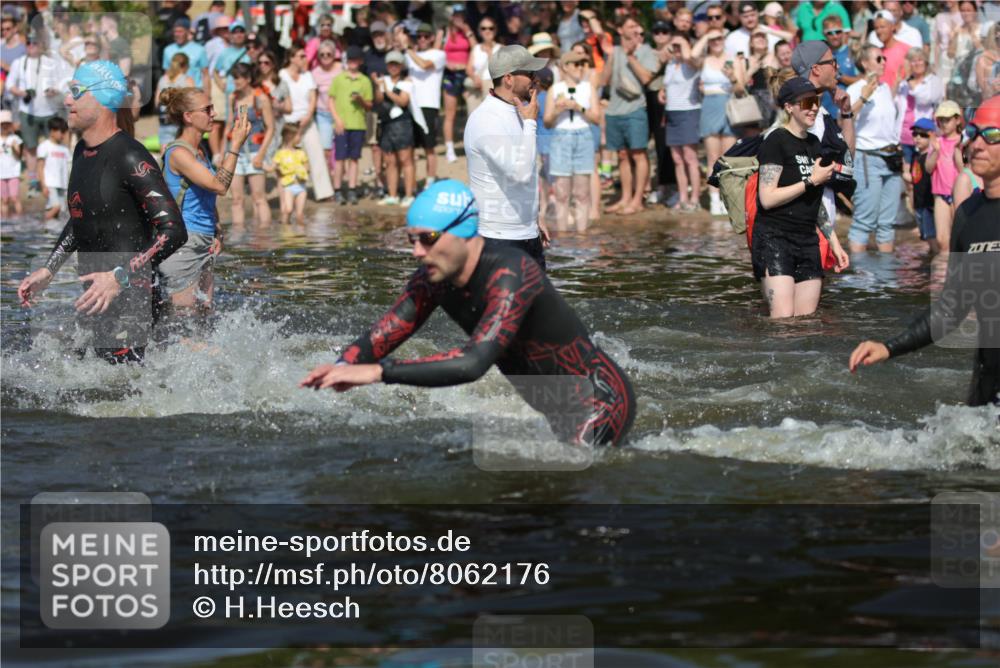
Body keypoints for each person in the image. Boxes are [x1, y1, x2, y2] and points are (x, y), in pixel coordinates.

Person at [300, 179, 636, 447]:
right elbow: (388, 330)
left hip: (602, 404)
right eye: (412, 240)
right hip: (558, 411)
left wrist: (376, 373)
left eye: (428, 238)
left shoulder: (513, 273)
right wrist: (342, 367)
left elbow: (473, 362)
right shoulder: (434, 277)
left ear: (463, 230)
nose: (418, 251)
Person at [17, 60, 187, 364]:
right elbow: (83, 216)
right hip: (97, 295)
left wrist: (119, 276)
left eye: (76, 91)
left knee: (124, 396)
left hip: (130, 295)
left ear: (102, 97)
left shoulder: (130, 155)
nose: (67, 100)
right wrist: (49, 269)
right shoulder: (82, 151)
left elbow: (173, 230)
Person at [849, 96, 1000, 408]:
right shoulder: (969, 213)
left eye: (993, 135)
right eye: (975, 133)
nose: (978, 145)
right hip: (987, 384)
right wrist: (889, 347)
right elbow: (951, 308)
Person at [754, 77, 849, 318]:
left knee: (806, 323)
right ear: (789, 107)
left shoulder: (815, 144)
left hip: (808, 241)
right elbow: (767, 198)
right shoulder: (775, 140)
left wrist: (835, 244)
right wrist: (810, 181)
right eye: (807, 102)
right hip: (775, 239)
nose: (814, 107)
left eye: (816, 101)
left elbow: (815, 202)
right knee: (783, 320)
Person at [158, 86, 250, 313]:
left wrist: (216, 229)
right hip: (183, 242)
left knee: (203, 315)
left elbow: (204, 195)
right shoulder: (179, 154)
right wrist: (235, 145)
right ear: (188, 117)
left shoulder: (200, 152)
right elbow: (219, 186)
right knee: (183, 319)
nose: (214, 114)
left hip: (205, 240)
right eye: (207, 109)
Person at [464, 44, 550, 270]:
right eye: (529, 73)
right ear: (509, 79)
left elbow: (529, 169)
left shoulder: (518, 110)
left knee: (536, 307)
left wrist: (535, 218)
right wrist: (531, 122)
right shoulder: (486, 119)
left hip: (527, 235)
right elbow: (519, 174)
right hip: (497, 239)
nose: (535, 78)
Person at [791, 40, 857, 228]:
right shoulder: (803, 111)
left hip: (824, 223)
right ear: (817, 69)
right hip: (807, 225)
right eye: (832, 62)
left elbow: (848, 158)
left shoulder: (821, 112)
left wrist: (846, 113)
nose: (837, 67)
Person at [846, 46, 904, 253]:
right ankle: (859, 280)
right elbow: (845, 118)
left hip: (891, 156)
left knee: (888, 223)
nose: (883, 62)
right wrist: (863, 98)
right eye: (878, 58)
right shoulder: (855, 89)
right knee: (864, 220)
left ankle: (886, 279)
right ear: (864, 63)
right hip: (868, 158)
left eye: (884, 58)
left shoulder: (885, 88)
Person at [600, 15, 658, 216]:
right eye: (631, 25)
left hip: (635, 109)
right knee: (622, 155)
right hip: (614, 110)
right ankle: (625, 198)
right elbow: (604, 80)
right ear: (620, 30)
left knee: (638, 153)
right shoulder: (614, 51)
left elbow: (647, 78)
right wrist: (611, 56)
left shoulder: (645, 50)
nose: (635, 29)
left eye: (636, 25)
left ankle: (638, 200)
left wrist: (631, 56)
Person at [545, 50, 599, 233]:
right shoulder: (555, 89)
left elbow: (597, 118)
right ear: (565, 67)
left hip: (583, 135)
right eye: (576, 64)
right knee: (561, 193)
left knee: (582, 193)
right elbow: (547, 121)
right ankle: (562, 233)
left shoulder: (588, 87)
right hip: (561, 137)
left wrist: (578, 107)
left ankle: (582, 235)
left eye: (582, 64)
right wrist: (558, 110)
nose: (581, 68)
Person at [7, 34, 64, 196]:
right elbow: (10, 85)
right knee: (30, 148)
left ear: (41, 45)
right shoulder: (19, 63)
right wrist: (22, 92)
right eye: (28, 43)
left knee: (52, 147)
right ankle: (33, 182)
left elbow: (61, 83)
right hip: (28, 112)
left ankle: (52, 182)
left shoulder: (51, 63)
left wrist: (54, 90)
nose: (31, 45)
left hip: (50, 112)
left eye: (34, 43)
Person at [693, 29, 736, 216]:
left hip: (729, 105)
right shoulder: (704, 59)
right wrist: (705, 36)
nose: (716, 41)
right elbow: (692, 55)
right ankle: (713, 199)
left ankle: (727, 199)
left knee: (727, 158)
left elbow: (740, 83)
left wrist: (733, 76)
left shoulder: (732, 58)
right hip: (710, 105)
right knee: (712, 157)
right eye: (713, 39)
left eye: (719, 38)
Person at [225, 62, 274, 226]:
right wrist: (220, 153)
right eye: (234, 78)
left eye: (238, 78)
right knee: (237, 199)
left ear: (247, 78)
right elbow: (229, 125)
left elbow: (271, 128)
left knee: (258, 197)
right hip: (235, 152)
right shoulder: (233, 97)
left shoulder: (260, 98)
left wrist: (261, 154)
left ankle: (264, 235)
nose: (235, 82)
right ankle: (238, 239)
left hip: (254, 151)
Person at [399, 23, 445, 188]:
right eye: (419, 36)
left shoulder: (438, 54)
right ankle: (411, 183)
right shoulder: (411, 55)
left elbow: (424, 65)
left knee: (429, 147)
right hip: (411, 105)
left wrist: (408, 49)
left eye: (426, 36)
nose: (422, 39)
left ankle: (430, 181)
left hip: (429, 105)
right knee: (409, 147)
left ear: (432, 38)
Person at [660, 30, 701, 213]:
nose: (676, 48)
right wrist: (663, 93)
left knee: (690, 157)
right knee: (677, 159)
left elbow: (692, 60)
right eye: (674, 45)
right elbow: (667, 86)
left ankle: (695, 199)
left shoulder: (691, 63)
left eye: (679, 45)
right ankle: (683, 197)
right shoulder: (671, 64)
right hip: (672, 112)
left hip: (689, 111)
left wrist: (684, 45)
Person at [330, 45, 373, 205]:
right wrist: (337, 119)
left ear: (360, 61)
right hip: (341, 124)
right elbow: (331, 100)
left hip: (358, 124)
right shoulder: (339, 79)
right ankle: (338, 189)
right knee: (340, 158)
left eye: (355, 60)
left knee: (354, 158)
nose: (352, 63)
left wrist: (360, 100)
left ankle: (352, 189)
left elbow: (369, 105)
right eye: (350, 60)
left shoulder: (365, 80)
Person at [374, 49, 418, 207]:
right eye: (391, 64)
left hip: (402, 124)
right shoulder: (382, 80)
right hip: (386, 124)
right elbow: (378, 101)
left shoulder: (407, 82)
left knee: (405, 159)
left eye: (396, 64)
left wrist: (387, 90)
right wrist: (378, 88)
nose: (393, 67)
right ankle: (392, 195)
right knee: (390, 161)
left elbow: (403, 101)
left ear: (401, 66)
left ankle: (408, 194)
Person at [439, 4, 475, 164]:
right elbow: (436, 52)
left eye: (461, 15)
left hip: (466, 74)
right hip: (451, 74)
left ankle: (473, 147)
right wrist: (447, 63)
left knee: (472, 111)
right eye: (456, 15)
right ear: (451, 16)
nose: (458, 18)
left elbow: (476, 48)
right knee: (450, 113)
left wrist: (467, 30)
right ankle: (449, 148)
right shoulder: (444, 31)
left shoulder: (467, 31)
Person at [896, 48, 942, 169]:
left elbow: (925, 99)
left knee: (922, 176)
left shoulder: (934, 81)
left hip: (924, 137)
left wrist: (911, 82)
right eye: (913, 61)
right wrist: (897, 81)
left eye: (920, 60)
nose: (917, 64)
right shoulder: (904, 83)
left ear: (926, 62)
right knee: (906, 177)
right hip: (904, 137)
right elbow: (893, 103)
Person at [928, 99, 965, 250]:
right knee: (942, 240)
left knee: (960, 238)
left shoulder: (964, 141)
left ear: (957, 119)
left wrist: (958, 150)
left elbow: (965, 171)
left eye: (947, 120)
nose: (943, 124)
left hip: (960, 195)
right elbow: (929, 169)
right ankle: (943, 273)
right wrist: (936, 151)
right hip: (940, 195)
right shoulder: (937, 142)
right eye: (940, 120)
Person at [820, 15, 861, 121]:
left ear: (843, 32)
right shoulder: (820, 55)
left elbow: (862, 81)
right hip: (826, 113)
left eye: (837, 32)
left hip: (848, 113)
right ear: (824, 34)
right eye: (830, 33)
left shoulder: (853, 53)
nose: (835, 36)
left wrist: (838, 76)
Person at [908, 117, 939, 253]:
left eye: (923, 135)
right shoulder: (915, 156)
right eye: (915, 134)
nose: (918, 137)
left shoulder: (931, 157)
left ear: (931, 136)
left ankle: (936, 260)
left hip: (929, 203)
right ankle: (929, 261)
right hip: (919, 204)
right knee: (925, 236)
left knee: (932, 236)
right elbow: (914, 179)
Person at [311, 39, 341, 180]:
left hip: (340, 114)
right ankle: (327, 181)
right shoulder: (315, 72)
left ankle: (338, 180)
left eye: (328, 54)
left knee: (340, 150)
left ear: (334, 54)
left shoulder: (341, 69)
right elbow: (313, 94)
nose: (325, 57)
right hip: (323, 114)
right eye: (322, 55)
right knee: (326, 150)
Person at [270, 124, 309, 224]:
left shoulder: (301, 152)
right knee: (288, 210)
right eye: (298, 135)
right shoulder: (280, 153)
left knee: (300, 213)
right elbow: (273, 167)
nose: (300, 137)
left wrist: (303, 171)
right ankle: (286, 231)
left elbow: (307, 167)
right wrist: (264, 166)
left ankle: (301, 235)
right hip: (288, 186)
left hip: (301, 186)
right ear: (289, 136)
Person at [155, 52, 195, 149]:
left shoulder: (163, 79)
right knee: (182, 151)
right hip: (180, 120)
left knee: (165, 153)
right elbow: (193, 101)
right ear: (186, 65)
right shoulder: (187, 80)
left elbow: (156, 102)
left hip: (164, 120)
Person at [36, 115, 69, 220]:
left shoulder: (65, 149)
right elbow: (40, 167)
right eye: (61, 131)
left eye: (65, 131)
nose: (63, 135)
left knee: (61, 212)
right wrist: (43, 185)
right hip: (50, 184)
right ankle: (39, 223)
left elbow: (68, 168)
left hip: (63, 184)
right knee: (56, 207)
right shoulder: (44, 146)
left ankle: (53, 231)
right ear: (52, 131)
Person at [162, 17, 208, 92]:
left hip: (195, 92)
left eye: (180, 31)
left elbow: (205, 74)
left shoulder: (200, 49)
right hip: (175, 94)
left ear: (188, 32)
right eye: (175, 32)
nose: (177, 34)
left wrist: (207, 94)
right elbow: (166, 74)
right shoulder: (167, 50)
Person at [466, 16, 501, 113]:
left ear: (495, 30)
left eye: (491, 28)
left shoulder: (501, 48)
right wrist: (474, 78)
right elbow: (469, 68)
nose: (487, 31)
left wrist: (490, 54)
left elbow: (502, 70)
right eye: (483, 28)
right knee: (473, 119)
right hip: (476, 87)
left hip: (493, 86)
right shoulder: (476, 48)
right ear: (479, 31)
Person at [870, 10, 912, 90]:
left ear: (893, 27)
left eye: (882, 27)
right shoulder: (877, 53)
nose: (879, 31)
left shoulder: (906, 50)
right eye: (876, 28)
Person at [0, 109, 23, 218]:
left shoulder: (15, 138)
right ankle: (4, 222)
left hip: (13, 173)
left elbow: (18, 155)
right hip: (1, 174)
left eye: (7, 124)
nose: (4, 126)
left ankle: (20, 220)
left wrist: (14, 148)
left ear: (10, 125)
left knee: (14, 198)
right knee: (4, 200)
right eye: (2, 124)